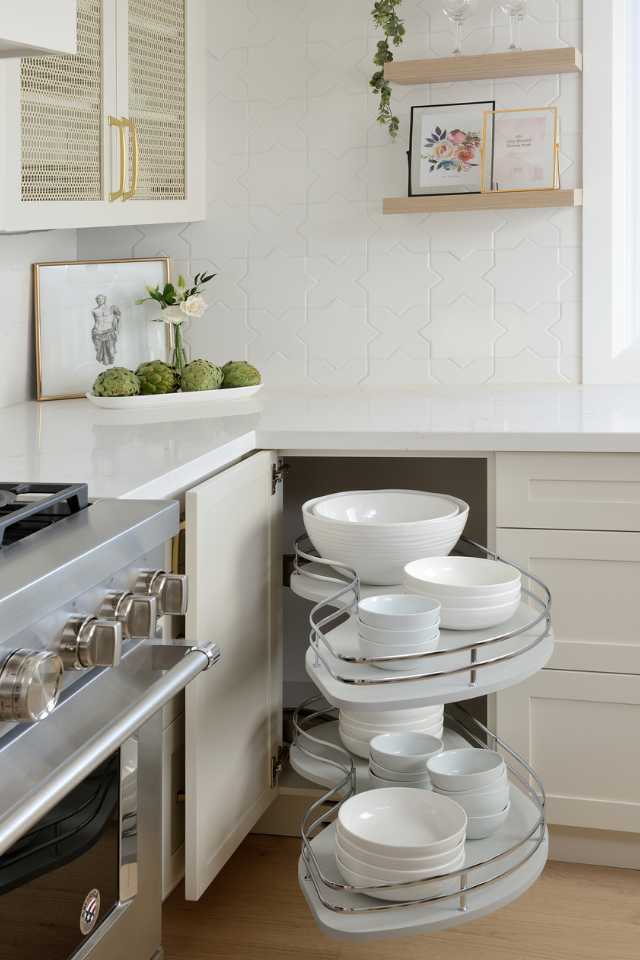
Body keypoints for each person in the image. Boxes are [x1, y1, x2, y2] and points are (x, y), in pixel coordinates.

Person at [91, 294, 121, 366]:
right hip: (97, 332)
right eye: (98, 299)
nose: (100, 300)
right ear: (96, 300)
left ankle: (112, 365)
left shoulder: (111, 308)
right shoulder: (94, 310)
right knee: (98, 351)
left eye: (101, 299)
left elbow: (118, 318)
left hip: (109, 331)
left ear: (104, 299)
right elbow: (95, 321)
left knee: (111, 351)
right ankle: (101, 366)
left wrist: (116, 328)